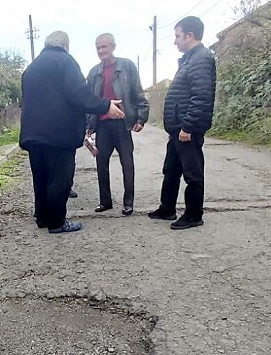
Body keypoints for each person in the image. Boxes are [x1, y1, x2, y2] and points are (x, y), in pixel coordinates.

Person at [20, 31, 124, 234]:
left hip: (33, 134)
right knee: (60, 178)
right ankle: (57, 222)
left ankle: (42, 217)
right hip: (58, 134)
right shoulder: (65, 62)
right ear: (65, 46)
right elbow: (79, 94)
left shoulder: (31, 68)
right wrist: (105, 106)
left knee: (40, 177)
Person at [148, 16, 216, 230]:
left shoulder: (201, 59)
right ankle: (167, 208)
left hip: (187, 129)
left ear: (190, 35)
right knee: (171, 169)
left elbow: (201, 97)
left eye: (177, 36)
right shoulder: (189, 59)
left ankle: (194, 214)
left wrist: (188, 126)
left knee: (192, 172)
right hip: (177, 129)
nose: (175, 41)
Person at [86, 33, 149, 216]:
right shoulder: (94, 72)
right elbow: (90, 101)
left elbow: (138, 93)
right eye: (98, 47)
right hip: (103, 125)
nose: (100, 51)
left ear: (113, 46)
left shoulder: (127, 66)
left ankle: (128, 203)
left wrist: (141, 118)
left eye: (104, 47)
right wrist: (89, 124)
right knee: (101, 163)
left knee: (127, 164)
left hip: (122, 124)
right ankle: (105, 201)